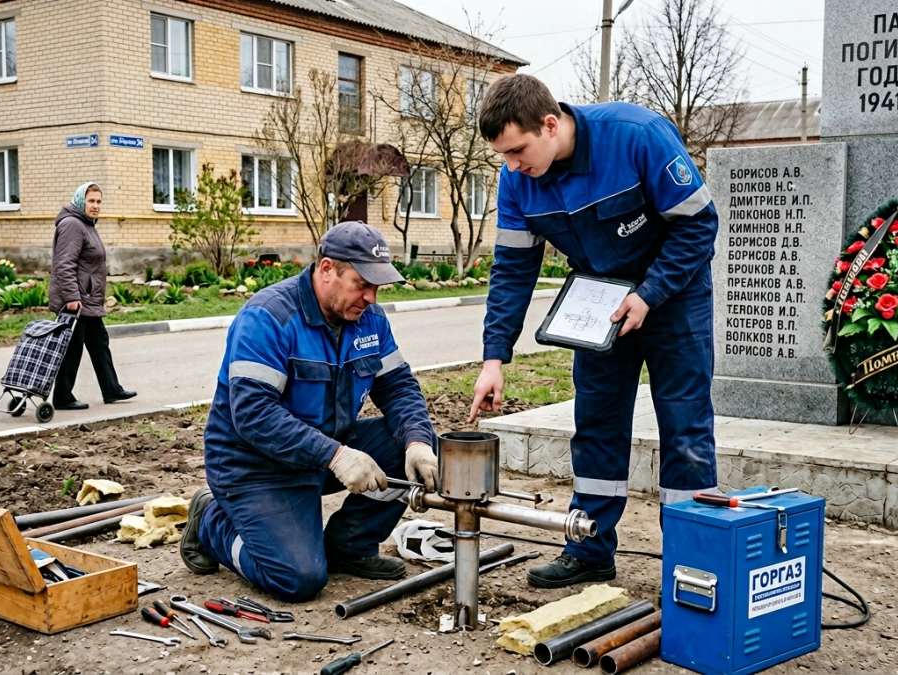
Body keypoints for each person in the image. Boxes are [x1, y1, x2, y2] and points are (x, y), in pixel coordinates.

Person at [468, 74, 719, 588]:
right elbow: (514, 268)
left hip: (673, 295)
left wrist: (649, 294)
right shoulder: (516, 179)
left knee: (685, 427)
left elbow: (699, 225)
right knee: (597, 422)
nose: (513, 167)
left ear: (551, 124)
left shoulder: (637, 136)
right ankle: (589, 547)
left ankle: (695, 561)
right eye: (504, 157)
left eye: (518, 151)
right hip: (602, 302)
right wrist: (495, 356)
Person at [179, 221, 439, 602]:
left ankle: (348, 546)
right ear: (327, 269)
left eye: (377, 287)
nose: (371, 297)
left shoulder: (370, 320)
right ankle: (211, 523)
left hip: (324, 453)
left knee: (412, 440)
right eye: (361, 284)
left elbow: (397, 386)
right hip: (255, 466)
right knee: (297, 579)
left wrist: (417, 441)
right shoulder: (267, 318)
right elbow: (253, 413)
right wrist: (335, 455)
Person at [48, 182, 137, 410]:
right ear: (80, 201)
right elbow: (64, 264)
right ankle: (63, 397)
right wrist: (71, 297)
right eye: (91, 201)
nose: (96, 206)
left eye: (98, 201)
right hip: (76, 300)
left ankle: (111, 389)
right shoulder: (72, 224)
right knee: (72, 348)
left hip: (87, 299)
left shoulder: (87, 224)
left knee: (99, 344)